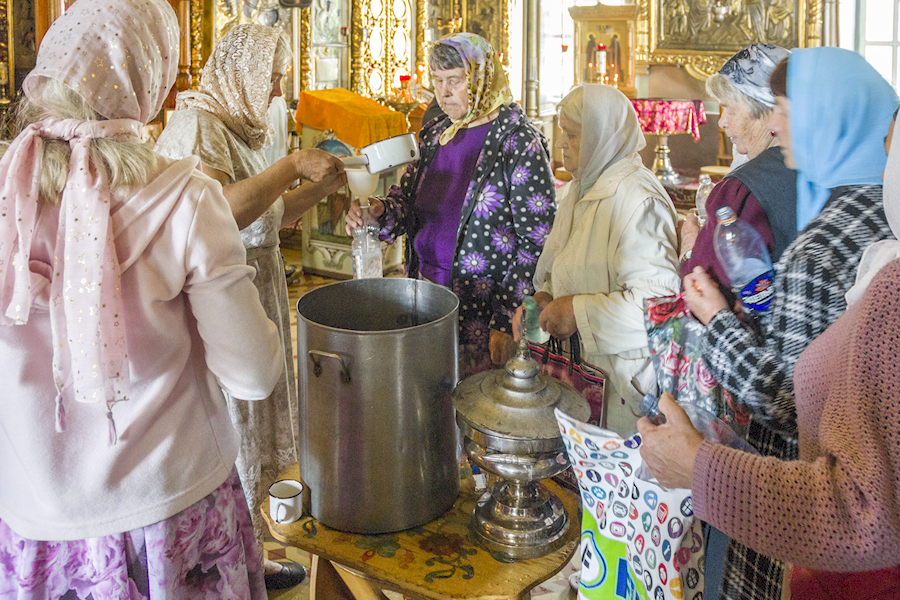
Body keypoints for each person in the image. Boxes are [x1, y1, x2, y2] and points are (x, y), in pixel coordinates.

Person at [0, 0, 283, 596]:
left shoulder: (9, 194)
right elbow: (253, 375)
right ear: (149, 76)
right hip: (172, 513)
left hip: (36, 521)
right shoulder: (186, 201)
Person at [638, 109, 900, 600]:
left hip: (817, 542)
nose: (778, 126)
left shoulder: (838, 251)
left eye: (790, 106)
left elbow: (861, 510)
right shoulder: (869, 217)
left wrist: (697, 465)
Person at [155, 23, 346, 588]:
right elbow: (218, 213)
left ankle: (250, 554)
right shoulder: (195, 124)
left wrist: (326, 185)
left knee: (254, 419)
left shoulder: (232, 127)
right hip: (217, 301)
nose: (273, 92)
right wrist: (291, 166)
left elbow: (270, 215)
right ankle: (225, 562)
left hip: (253, 286)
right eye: (271, 79)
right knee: (230, 423)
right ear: (240, 72)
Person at [345, 32, 556, 376]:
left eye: (455, 81)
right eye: (438, 81)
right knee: (425, 398)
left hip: (481, 309)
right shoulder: (436, 132)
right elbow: (407, 202)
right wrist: (380, 212)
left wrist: (505, 318)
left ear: (482, 77)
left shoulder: (518, 141)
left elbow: (536, 241)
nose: (443, 92)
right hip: (422, 293)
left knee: (472, 408)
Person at [513, 84, 681, 436]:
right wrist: (542, 299)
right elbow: (564, 264)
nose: (561, 144)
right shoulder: (582, 187)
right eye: (562, 133)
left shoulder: (637, 200)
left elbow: (658, 308)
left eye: (571, 135)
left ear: (601, 138)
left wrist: (577, 311)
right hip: (579, 372)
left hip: (623, 388)